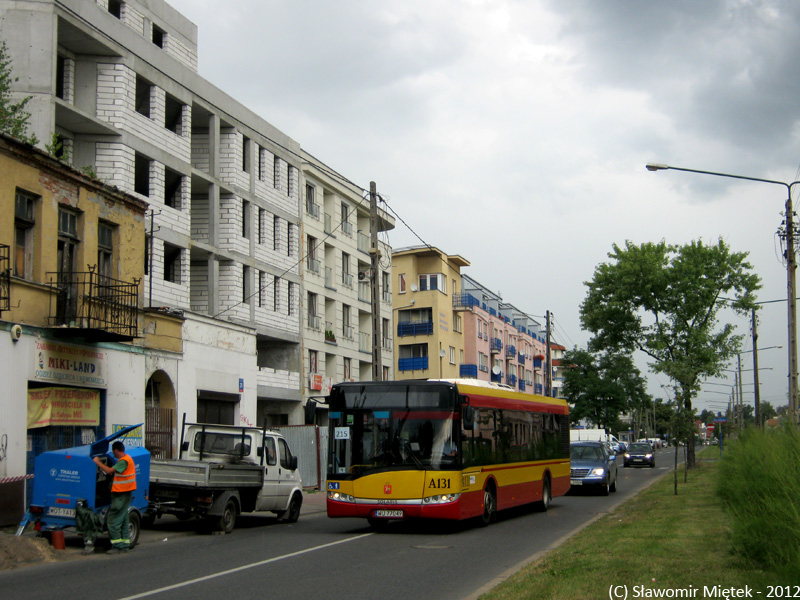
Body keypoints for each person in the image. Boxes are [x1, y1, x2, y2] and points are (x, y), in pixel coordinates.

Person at [93, 441, 136, 554]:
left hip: (121, 494)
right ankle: (125, 545)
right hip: (126, 493)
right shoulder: (128, 459)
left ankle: (117, 546)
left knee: (113, 521)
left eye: (113, 451)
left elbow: (108, 471)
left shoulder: (123, 461)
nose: (113, 454)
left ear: (116, 450)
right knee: (123, 519)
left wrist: (97, 462)